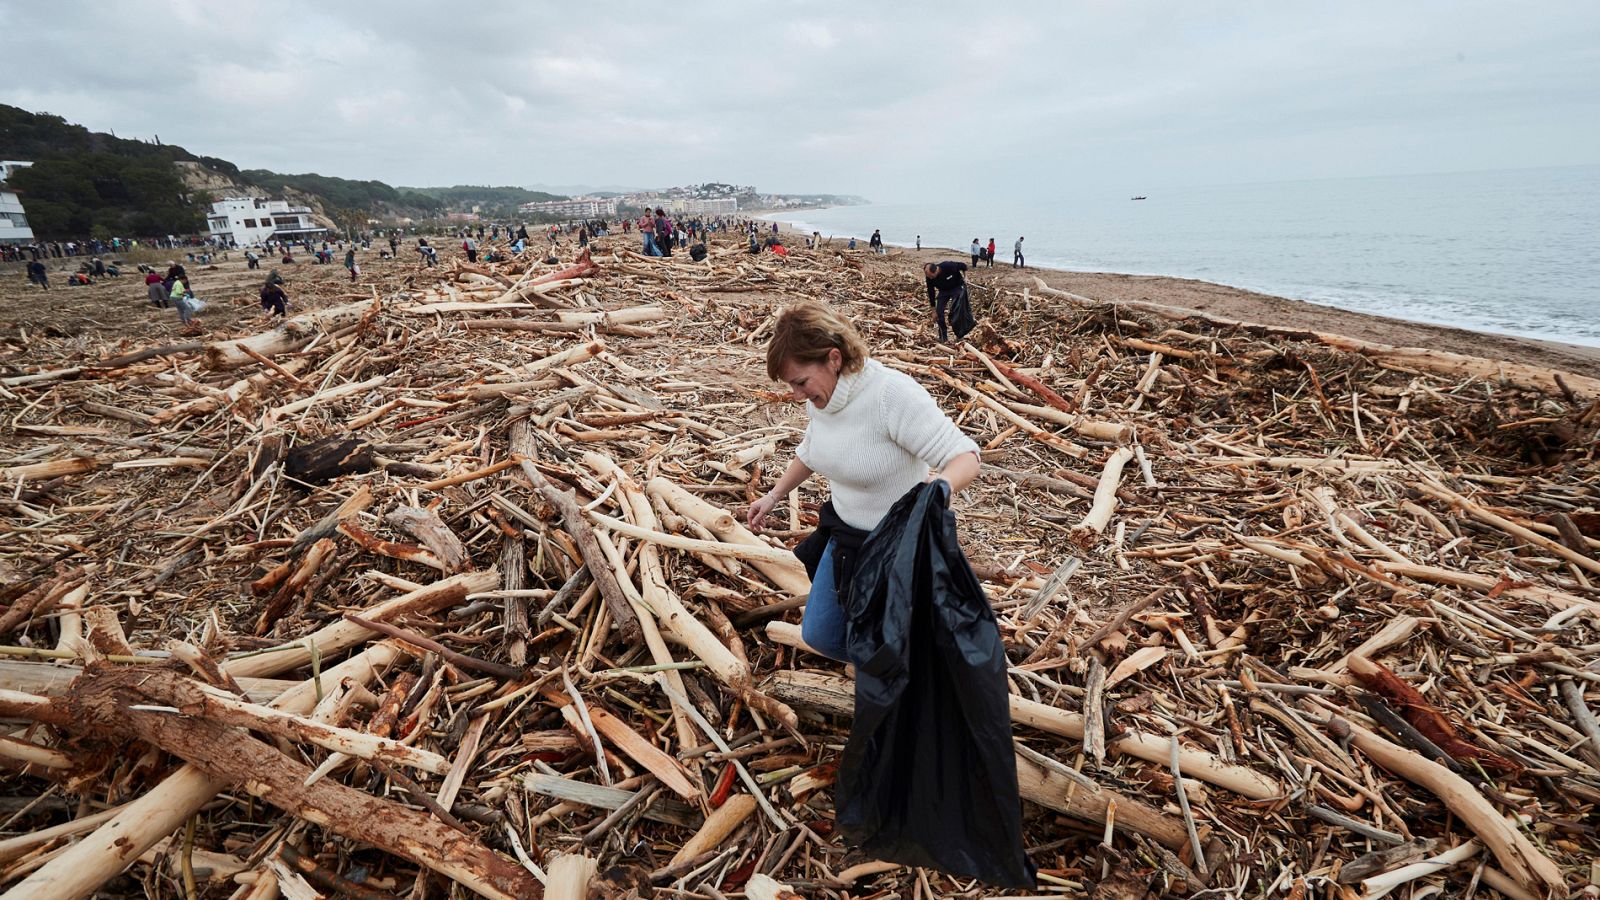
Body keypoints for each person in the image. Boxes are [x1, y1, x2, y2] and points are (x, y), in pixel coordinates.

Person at [745, 301, 981, 662]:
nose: (796, 395)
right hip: (845, 537)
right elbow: (812, 449)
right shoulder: (822, 400)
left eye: (800, 382)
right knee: (821, 634)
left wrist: (940, 488)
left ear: (834, 359)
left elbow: (965, 456)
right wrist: (775, 495)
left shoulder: (890, 395)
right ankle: (879, 670)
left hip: (897, 546)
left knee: (897, 645)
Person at [924, 261, 968, 343]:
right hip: (943, 291)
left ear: (936, 270)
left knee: (956, 310)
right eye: (928, 276)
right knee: (939, 312)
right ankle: (943, 337)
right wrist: (933, 311)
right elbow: (931, 293)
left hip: (956, 287)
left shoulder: (948, 266)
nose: (930, 278)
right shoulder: (929, 277)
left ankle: (959, 335)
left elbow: (964, 266)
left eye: (931, 276)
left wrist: (965, 277)